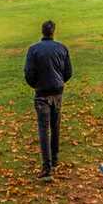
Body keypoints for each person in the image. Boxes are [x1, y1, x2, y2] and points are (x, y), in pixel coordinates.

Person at [23, 20, 72, 180]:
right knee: (55, 126)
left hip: (42, 93)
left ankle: (47, 167)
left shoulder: (33, 50)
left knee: (44, 130)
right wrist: (59, 82)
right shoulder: (62, 48)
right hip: (57, 92)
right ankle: (55, 158)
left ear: (42, 32)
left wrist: (36, 84)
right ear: (53, 32)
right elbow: (68, 72)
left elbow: (29, 73)